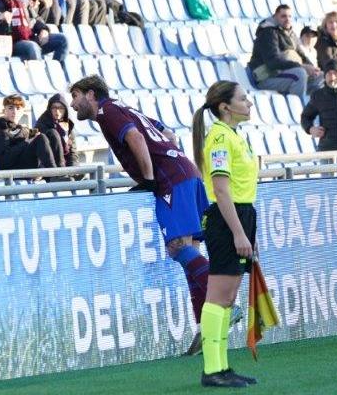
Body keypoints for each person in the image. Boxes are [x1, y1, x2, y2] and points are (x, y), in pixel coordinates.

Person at [70, 74, 211, 353]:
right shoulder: (124, 107)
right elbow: (168, 134)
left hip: (172, 181)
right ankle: (206, 328)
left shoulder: (106, 111)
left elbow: (135, 137)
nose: (72, 105)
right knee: (189, 253)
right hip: (186, 172)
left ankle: (224, 302)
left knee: (177, 247)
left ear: (90, 94)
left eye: (74, 96)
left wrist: (147, 178)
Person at [191, 81, 260, 388]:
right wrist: (238, 233)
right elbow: (220, 188)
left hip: (241, 215)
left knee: (228, 297)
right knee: (218, 296)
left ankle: (221, 366)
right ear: (225, 107)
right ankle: (212, 369)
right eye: (243, 99)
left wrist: (245, 230)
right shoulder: (219, 137)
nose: (249, 103)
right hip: (226, 219)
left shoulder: (235, 135)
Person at [247, 4, 322, 98]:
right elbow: (273, 62)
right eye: (283, 16)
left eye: (289, 16)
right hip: (267, 77)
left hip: (283, 74)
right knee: (299, 74)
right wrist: (302, 66)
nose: (287, 19)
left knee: (320, 76)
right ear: (275, 17)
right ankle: (298, 109)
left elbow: (301, 55)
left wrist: (312, 67)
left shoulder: (290, 33)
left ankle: (312, 108)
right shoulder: (268, 33)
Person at [0, 94, 57, 172]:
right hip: (12, 169)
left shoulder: (22, 129)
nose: (14, 112)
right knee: (40, 138)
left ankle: (60, 172)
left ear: (22, 112)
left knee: (52, 134)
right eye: (11, 108)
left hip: (27, 163)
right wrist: (27, 141)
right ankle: (54, 174)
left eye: (18, 108)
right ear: (4, 110)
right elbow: (4, 162)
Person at [34, 93, 77, 168]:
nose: (57, 111)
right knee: (53, 133)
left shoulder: (68, 125)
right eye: (54, 108)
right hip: (49, 166)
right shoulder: (41, 124)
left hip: (66, 165)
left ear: (65, 109)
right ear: (49, 109)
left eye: (61, 108)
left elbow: (72, 151)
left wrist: (73, 167)